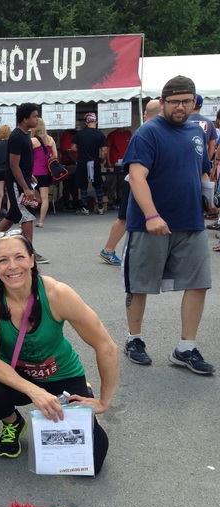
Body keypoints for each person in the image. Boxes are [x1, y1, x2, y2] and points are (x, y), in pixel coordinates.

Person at [0, 231, 117, 473]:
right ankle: (13, 424)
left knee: (89, 462)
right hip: (17, 378)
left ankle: (83, 396)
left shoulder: (57, 294)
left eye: (19, 257)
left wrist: (104, 401)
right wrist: (36, 392)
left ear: (31, 259)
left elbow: (106, 345)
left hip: (62, 376)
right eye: (3, 260)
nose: (12, 266)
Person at [122, 75, 215, 375]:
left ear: (194, 102)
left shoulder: (197, 133)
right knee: (140, 284)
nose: (180, 107)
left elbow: (201, 173)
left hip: (191, 222)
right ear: (162, 102)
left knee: (199, 282)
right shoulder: (147, 133)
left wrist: (210, 199)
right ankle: (134, 339)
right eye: (174, 101)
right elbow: (137, 177)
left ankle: (185, 347)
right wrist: (151, 215)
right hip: (150, 224)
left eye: (186, 101)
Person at [99, 100, 161, 266]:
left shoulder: (145, 131)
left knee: (131, 217)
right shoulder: (145, 132)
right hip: (135, 181)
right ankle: (109, 249)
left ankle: (111, 250)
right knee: (125, 217)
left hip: (138, 181)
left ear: (146, 114)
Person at [0, 103, 50, 263]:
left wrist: (29, 175)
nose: (37, 119)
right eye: (34, 116)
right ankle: (29, 252)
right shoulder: (17, 136)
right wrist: (25, 188)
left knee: (12, 215)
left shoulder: (26, 134)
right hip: (16, 183)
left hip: (23, 179)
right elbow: (13, 164)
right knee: (27, 215)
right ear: (25, 119)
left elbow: (22, 162)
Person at [72, 113, 108, 215]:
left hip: (83, 162)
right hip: (95, 162)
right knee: (98, 185)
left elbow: (73, 148)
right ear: (95, 121)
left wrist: (81, 148)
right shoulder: (100, 134)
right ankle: (100, 207)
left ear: (86, 122)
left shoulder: (79, 134)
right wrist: (102, 161)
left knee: (83, 186)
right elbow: (104, 151)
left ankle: (84, 208)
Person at [30, 118, 58, 228]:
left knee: (29, 197)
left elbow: (27, 156)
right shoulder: (50, 140)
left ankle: (28, 220)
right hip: (45, 173)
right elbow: (55, 156)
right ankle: (41, 221)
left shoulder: (32, 141)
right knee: (45, 197)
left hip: (33, 173)